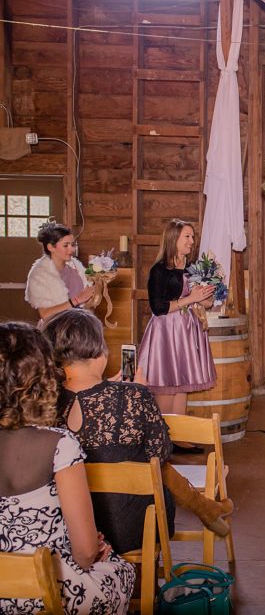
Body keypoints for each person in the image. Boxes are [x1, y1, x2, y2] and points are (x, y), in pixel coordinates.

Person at [41, 309, 234, 550]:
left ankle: (207, 508)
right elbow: (162, 452)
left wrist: (110, 387)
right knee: (152, 464)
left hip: (67, 528)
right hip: (131, 527)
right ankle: (205, 508)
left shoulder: (44, 401)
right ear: (99, 350)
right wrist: (138, 392)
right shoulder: (134, 395)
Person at [0, 322, 135, 615]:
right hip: (46, 590)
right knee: (122, 572)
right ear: (43, 377)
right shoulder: (60, 445)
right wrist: (95, 550)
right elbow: (86, 553)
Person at [138, 219, 216, 417]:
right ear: (174, 239)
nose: (192, 241)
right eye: (187, 236)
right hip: (166, 330)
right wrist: (191, 299)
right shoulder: (159, 270)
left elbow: (204, 302)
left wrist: (207, 297)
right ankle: (163, 435)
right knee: (168, 382)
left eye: (192, 236)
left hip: (187, 329)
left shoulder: (192, 268)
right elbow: (158, 308)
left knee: (182, 384)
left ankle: (180, 436)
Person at [25, 220, 95, 322]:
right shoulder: (39, 275)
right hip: (55, 330)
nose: (72, 250)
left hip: (80, 328)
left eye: (73, 245)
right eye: (66, 245)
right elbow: (45, 314)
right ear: (50, 247)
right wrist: (76, 300)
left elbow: (88, 301)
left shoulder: (76, 268)